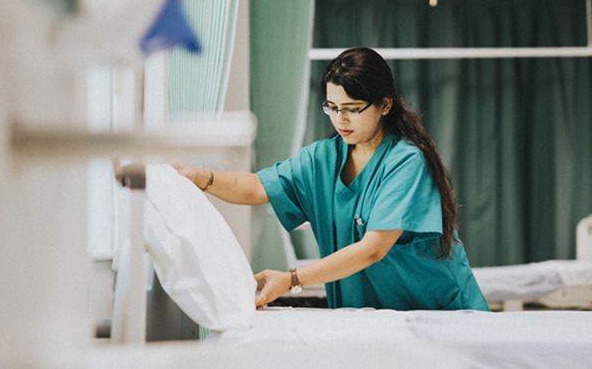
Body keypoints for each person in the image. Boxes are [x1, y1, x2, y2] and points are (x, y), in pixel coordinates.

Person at [174, 47, 489, 311]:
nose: (341, 119)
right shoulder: (322, 159)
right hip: (376, 319)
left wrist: (293, 278)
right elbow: (257, 186)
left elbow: (373, 248)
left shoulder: (405, 161)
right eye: (333, 107)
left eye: (352, 109)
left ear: (385, 106)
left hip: (441, 314)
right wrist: (202, 177)